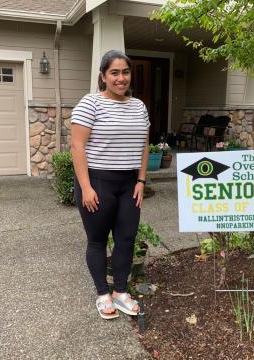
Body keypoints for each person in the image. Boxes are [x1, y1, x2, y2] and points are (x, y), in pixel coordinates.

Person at [70, 50, 150, 320]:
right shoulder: (90, 104)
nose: (120, 78)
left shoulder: (139, 106)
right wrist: (86, 186)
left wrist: (141, 180)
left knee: (126, 240)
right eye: (114, 72)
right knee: (97, 240)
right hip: (97, 182)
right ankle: (103, 294)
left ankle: (120, 292)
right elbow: (77, 146)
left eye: (125, 72)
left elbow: (144, 145)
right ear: (103, 76)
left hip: (129, 185)